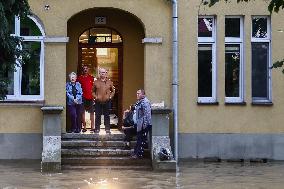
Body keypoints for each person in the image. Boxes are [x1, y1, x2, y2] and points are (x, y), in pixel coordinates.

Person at [127, 89, 152, 158]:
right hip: (140, 125)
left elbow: (147, 115)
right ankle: (136, 153)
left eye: (139, 93)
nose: (137, 95)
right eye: (137, 93)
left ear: (143, 94)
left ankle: (138, 154)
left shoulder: (145, 102)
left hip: (144, 125)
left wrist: (145, 125)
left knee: (141, 140)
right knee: (139, 139)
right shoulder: (140, 102)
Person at [92, 68, 115, 134]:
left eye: (104, 72)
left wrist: (110, 97)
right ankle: (97, 129)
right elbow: (93, 91)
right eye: (101, 72)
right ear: (99, 73)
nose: (103, 73)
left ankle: (107, 129)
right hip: (98, 102)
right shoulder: (96, 82)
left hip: (107, 101)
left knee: (107, 115)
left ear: (106, 73)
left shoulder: (109, 82)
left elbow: (113, 91)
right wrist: (96, 97)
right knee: (97, 115)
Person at [77, 65, 95, 132]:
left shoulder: (92, 78)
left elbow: (94, 88)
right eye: (84, 68)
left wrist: (94, 97)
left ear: (88, 70)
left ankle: (92, 127)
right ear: (82, 70)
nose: (85, 70)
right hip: (82, 97)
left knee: (92, 112)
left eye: (86, 68)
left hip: (91, 97)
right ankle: (84, 127)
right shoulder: (79, 78)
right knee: (82, 112)